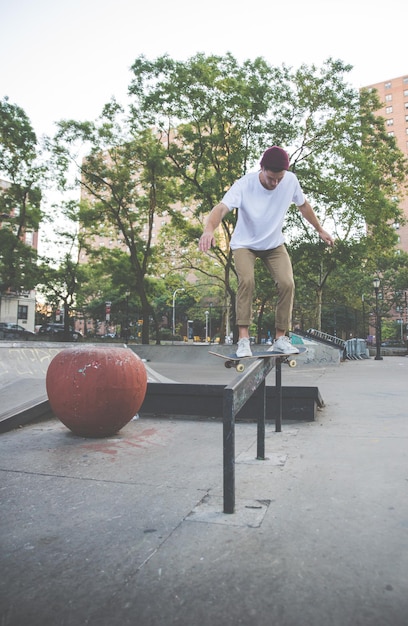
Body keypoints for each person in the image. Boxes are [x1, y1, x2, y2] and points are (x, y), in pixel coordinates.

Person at [199, 146, 334, 357]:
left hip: (273, 244)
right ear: (262, 169)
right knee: (247, 281)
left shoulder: (290, 181)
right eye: (272, 178)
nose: (275, 183)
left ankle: (280, 338)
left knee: (287, 283)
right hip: (245, 244)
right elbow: (221, 208)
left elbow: (304, 206)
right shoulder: (244, 185)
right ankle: (243, 340)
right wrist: (209, 230)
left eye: (279, 178)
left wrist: (319, 229)